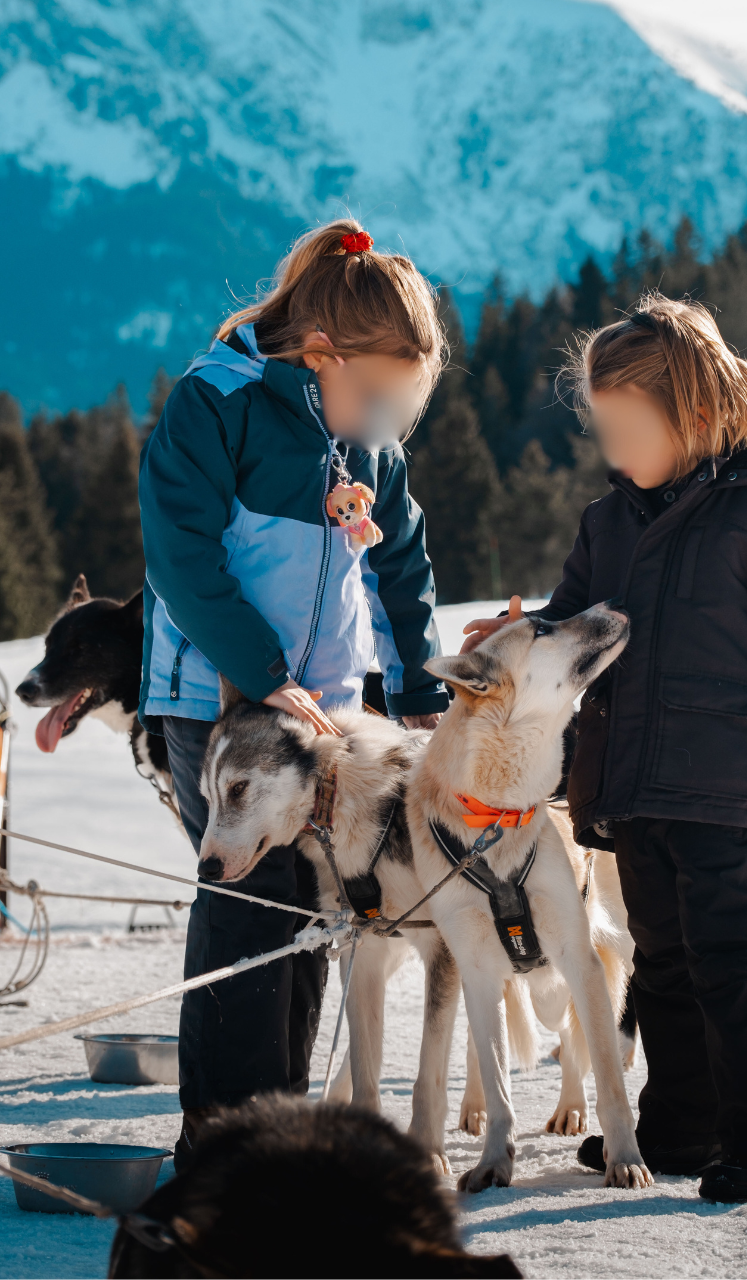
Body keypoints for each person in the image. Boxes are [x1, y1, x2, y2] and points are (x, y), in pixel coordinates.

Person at [461, 294, 747, 1203]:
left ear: (697, 412)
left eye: (630, 430)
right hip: (631, 772)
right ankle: (683, 1123)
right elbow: (573, 621)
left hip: (724, 772)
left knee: (728, 948)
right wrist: (519, 633)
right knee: (659, 952)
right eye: (605, 430)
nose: (615, 450)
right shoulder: (610, 521)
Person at [139, 218, 449, 1164]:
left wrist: (418, 686)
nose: (382, 419)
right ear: (320, 352)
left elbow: (401, 565)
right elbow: (181, 558)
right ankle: (224, 1144)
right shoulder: (218, 401)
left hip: (322, 717)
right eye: (376, 395)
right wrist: (265, 677)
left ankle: (282, 1135)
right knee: (246, 896)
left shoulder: (366, 445)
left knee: (314, 903)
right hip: (218, 701)